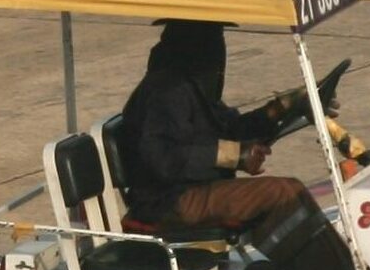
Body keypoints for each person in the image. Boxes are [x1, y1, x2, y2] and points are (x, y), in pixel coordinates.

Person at [116, 19, 309, 234]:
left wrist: (279, 110)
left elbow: (229, 129)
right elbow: (163, 156)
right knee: (280, 192)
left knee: (293, 190)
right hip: (168, 201)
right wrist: (233, 156)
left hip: (193, 191)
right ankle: (332, 266)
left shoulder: (193, 85)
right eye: (215, 39)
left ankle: (322, 264)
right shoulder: (168, 91)